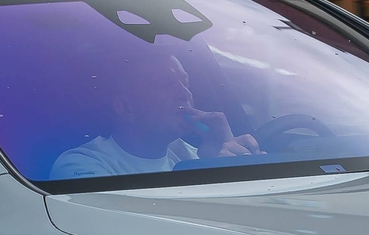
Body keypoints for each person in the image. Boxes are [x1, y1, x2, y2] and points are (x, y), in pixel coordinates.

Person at [48, 42, 259, 180]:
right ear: (126, 109)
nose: (184, 94)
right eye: (165, 85)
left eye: (185, 82)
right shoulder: (81, 167)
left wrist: (222, 165)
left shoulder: (193, 156)